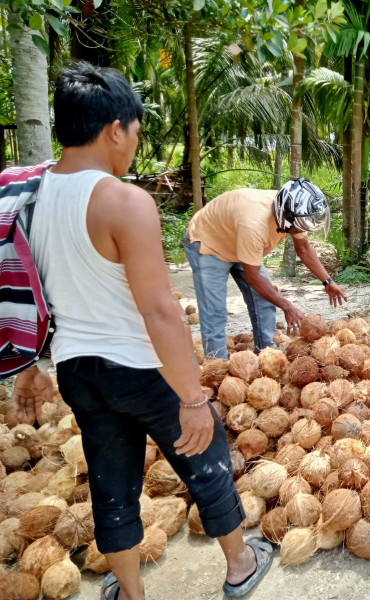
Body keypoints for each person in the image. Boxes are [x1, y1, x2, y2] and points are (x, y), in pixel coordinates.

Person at [17, 62, 271, 600]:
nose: (134, 143)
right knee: (206, 461)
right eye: (135, 130)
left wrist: (24, 371)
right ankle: (240, 565)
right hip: (137, 366)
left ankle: (130, 593)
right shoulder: (123, 201)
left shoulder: (32, 198)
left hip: (76, 370)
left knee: (113, 487)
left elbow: (27, 290)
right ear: (116, 128)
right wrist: (193, 398)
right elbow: (158, 310)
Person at [184, 179, 348, 359]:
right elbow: (252, 277)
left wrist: (328, 281)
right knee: (215, 313)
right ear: (284, 217)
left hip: (241, 244)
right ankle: (217, 366)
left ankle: (266, 353)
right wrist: (287, 306)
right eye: (299, 226)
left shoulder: (295, 211)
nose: (301, 229)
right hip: (209, 243)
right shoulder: (254, 224)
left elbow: (304, 248)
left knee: (265, 301)